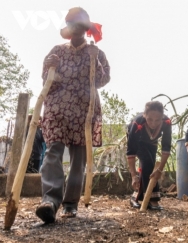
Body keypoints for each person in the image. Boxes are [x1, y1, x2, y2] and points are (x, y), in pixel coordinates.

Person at [35, 7, 110, 223]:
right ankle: (50, 201)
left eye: (79, 26)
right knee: (53, 152)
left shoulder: (96, 53)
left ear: (84, 29)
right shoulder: (57, 51)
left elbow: (102, 81)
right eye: (72, 26)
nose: (75, 30)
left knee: (78, 159)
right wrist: (50, 68)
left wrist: (95, 61)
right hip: (58, 109)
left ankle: (70, 202)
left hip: (84, 111)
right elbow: (46, 80)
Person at [126, 101, 172, 210]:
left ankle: (135, 197)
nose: (153, 123)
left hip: (152, 142)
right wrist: (133, 176)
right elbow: (131, 151)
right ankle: (152, 199)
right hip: (138, 142)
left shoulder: (166, 123)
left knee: (150, 167)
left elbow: (166, 147)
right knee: (147, 163)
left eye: (157, 120)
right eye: (150, 119)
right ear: (144, 115)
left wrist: (160, 170)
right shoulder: (137, 123)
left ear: (162, 117)